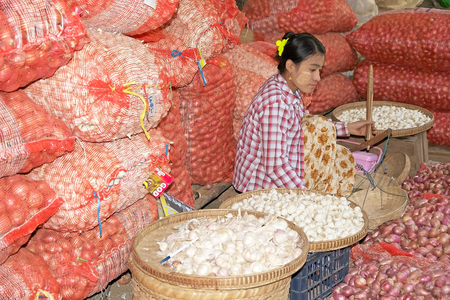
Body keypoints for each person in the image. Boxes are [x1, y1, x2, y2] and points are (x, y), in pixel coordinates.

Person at [233, 32, 375, 196]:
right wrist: (306, 196)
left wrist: (348, 128)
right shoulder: (275, 103)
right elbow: (274, 166)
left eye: (319, 70)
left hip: (272, 173)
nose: (317, 77)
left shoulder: (287, 87)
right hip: (258, 187)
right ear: (291, 66)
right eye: (312, 69)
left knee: (331, 144)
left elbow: (303, 121)